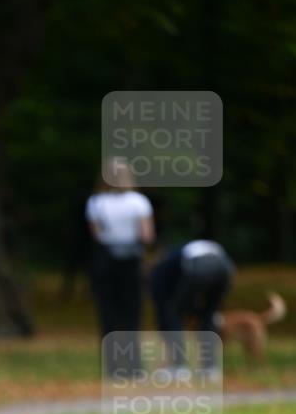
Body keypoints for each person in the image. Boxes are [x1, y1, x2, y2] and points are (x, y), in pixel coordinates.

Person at [85, 159, 154, 376]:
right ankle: (134, 366)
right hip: (131, 261)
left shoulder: (96, 202)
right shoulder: (139, 202)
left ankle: (112, 367)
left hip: (106, 261)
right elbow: (146, 235)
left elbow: (96, 235)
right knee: (132, 313)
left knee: (108, 314)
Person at [150, 240, 233, 378]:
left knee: (172, 313)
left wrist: (165, 319)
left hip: (198, 267)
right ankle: (211, 368)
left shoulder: (166, 261)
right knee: (208, 315)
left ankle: (178, 366)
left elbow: (160, 296)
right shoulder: (184, 250)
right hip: (225, 268)